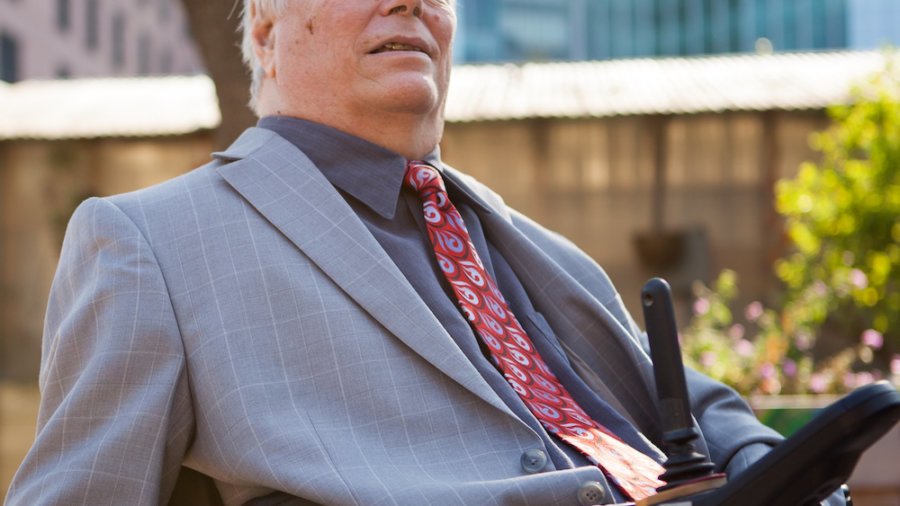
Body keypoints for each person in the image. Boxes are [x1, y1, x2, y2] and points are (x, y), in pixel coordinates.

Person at [7, 1, 842, 504]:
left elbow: (686, 400)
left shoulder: (537, 248)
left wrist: (770, 467)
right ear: (265, 29)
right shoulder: (150, 243)